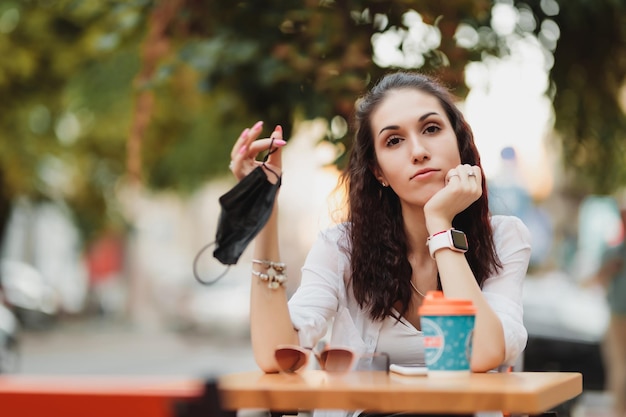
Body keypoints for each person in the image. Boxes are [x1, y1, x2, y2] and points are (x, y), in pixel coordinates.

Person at [227, 71, 532, 416]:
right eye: (394, 141)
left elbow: (483, 352)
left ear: (460, 143)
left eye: (431, 129)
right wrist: (265, 209)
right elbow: (274, 354)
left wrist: (440, 226)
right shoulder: (342, 247)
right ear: (378, 172)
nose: (418, 151)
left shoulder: (505, 238)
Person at [592, 207, 626, 417]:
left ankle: (619, 409)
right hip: (617, 314)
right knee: (617, 365)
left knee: (618, 365)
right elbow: (598, 279)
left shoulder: (615, 251)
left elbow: (596, 280)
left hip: (618, 315)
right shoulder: (615, 252)